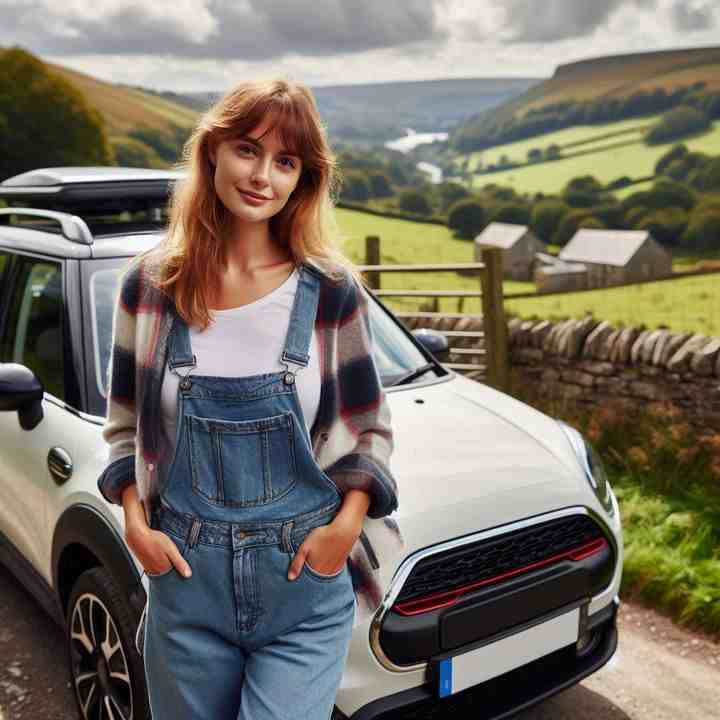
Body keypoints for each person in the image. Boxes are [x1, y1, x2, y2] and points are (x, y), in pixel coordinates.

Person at [97, 77, 404, 720]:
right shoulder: (147, 288)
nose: (262, 175)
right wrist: (134, 522)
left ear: (303, 179)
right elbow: (125, 428)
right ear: (213, 152)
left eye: (285, 161)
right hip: (186, 583)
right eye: (248, 149)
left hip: (303, 585)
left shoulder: (331, 291)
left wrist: (342, 530)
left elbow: (370, 429)